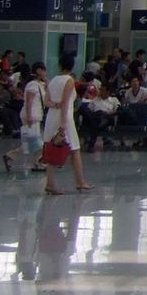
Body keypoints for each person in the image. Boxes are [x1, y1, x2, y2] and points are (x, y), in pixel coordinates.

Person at [42, 56, 92, 194]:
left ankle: (50, 183)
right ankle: (80, 181)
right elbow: (65, 103)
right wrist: (63, 123)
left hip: (51, 116)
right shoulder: (69, 81)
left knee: (51, 148)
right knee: (75, 149)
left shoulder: (52, 81)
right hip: (65, 118)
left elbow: (46, 101)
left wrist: (55, 105)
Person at [4, 62, 47, 175]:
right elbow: (29, 101)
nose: (44, 73)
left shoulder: (39, 84)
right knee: (35, 141)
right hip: (31, 114)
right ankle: (36, 162)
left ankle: (12, 156)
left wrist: (45, 78)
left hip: (36, 114)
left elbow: (49, 86)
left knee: (31, 141)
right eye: (43, 70)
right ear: (38, 70)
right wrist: (29, 116)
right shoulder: (32, 84)